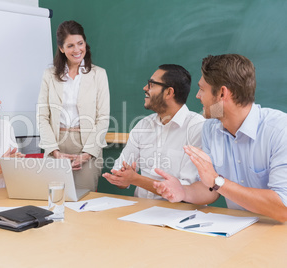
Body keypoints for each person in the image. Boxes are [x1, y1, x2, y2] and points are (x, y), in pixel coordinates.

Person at [153, 54, 287, 222]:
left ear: (222, 93)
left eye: (202, 89)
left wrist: (217, 181)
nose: (197, 96)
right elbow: (211, 188)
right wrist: (183, 191)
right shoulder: (210, 128)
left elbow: (283, 208)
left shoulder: (280, 131)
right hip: (238, 228)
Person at [102, 64, 205, 199]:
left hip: (179, 213)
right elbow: (120, 173)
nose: (145, 88)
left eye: (151, 85)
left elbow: (186, 188)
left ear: (169, 92)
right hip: (141, 209)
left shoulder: (197, 127)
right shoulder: (143, 125)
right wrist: (122, 177)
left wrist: (135, 179)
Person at [37, 20, 110, 191]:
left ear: (85, 43)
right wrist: (54, 152)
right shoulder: (49, 75)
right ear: (62, 48)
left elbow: (103, 117)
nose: (77, 50)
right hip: (56, 144)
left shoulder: (99, 74)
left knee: (84, 201)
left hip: (87, 145)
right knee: (53, 200)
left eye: (80, 43)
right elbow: (42, 116)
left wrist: (88, 154)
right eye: (70, 45)